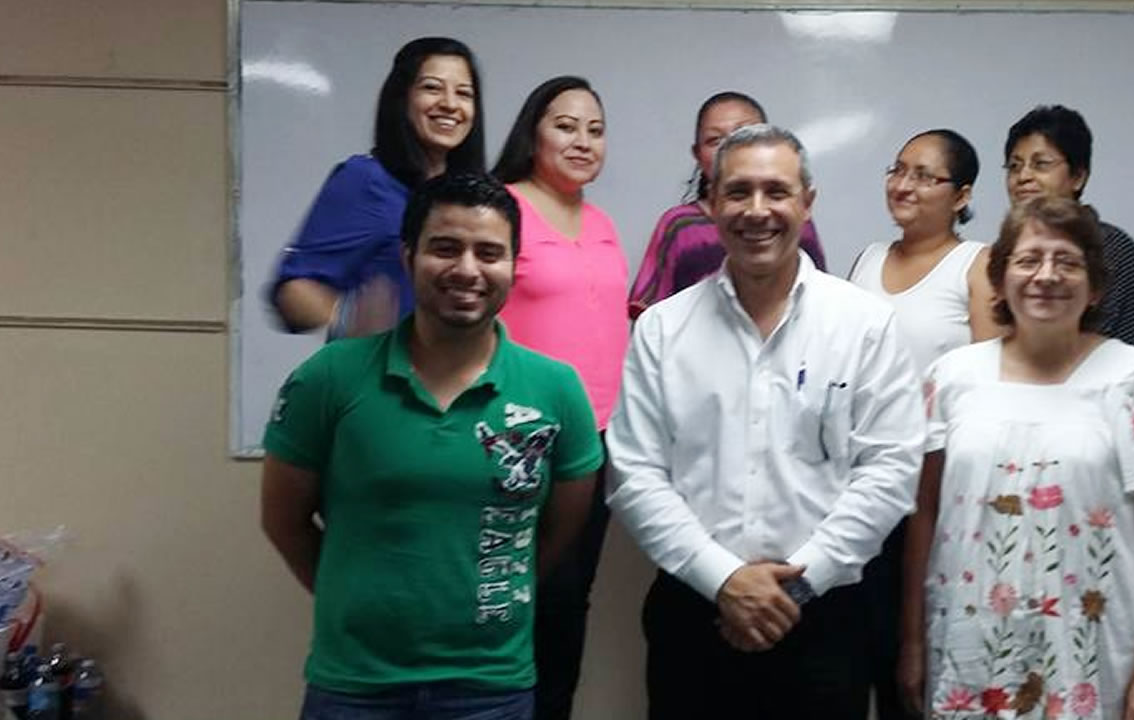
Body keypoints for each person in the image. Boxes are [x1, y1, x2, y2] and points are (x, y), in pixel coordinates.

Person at [607, 124, 926, 720]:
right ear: (711, 203)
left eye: (776, 191)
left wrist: (796, 587)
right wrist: (724, 580)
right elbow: (635, 474)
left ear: (807, 202)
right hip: (694, 615)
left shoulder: (863, 325)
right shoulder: (662, 330)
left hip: (825, 622)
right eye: (738, 191)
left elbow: (890, 471)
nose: (758, 210)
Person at [260, 173, 603, 720]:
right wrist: (355, 599)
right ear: (408, 256)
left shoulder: (556, 390)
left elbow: (560, 531)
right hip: (355, 686)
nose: (467, 269)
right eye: (445, 248)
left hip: (491, 689)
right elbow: (284, 520)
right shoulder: (328, 378)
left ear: (513, 266)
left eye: (489, 253)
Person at [903, 196, 1134, 720]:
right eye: (1028, 260)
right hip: (969, 653)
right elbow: (924, 514)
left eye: (1067, 261)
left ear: (1096, 285)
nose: (1047, 276)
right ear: (1000, 278)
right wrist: (911, 641)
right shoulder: (951, 378)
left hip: (1094, 657)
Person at [847, 128, 1001, 720]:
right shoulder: (867, 259)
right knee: (854, 653)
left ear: (961, 195)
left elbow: (989, 390)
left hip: (934, 496)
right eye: (897, 169)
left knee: (913, 667)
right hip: (861, 489)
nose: (903, 185)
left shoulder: (976, 265)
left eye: (923, 175)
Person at [490, 75, 628, 720]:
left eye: (595, 130)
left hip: (593, 444)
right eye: (566, 126)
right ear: (533, 132)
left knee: (569, 600)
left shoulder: (601, 222)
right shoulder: (503, 208)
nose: (582, 141)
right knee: (506, 598)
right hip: (514, 439)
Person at [271, 37, 486, 338]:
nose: (450, 104)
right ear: (402, 98)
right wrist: (349, 318)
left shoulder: (476, 197)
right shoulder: (366, 180)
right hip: (379, 364)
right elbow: (292, 293)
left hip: (455, 363)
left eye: (464, 93)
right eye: (432, 88)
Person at [627, 91, 827, 317]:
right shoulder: (679, 226)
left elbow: (820, 299)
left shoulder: (792, 220)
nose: (731, 147)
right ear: (697, 154)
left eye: (745, 134)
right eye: (715, 140)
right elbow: (649, 313)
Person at [1004, 105, 1134, 344]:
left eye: (1041, 164)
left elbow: (1116, 341)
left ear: (1078, 177)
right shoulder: (1008, 247)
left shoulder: (1110, 246)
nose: (1023, 177)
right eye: (1014, 166)